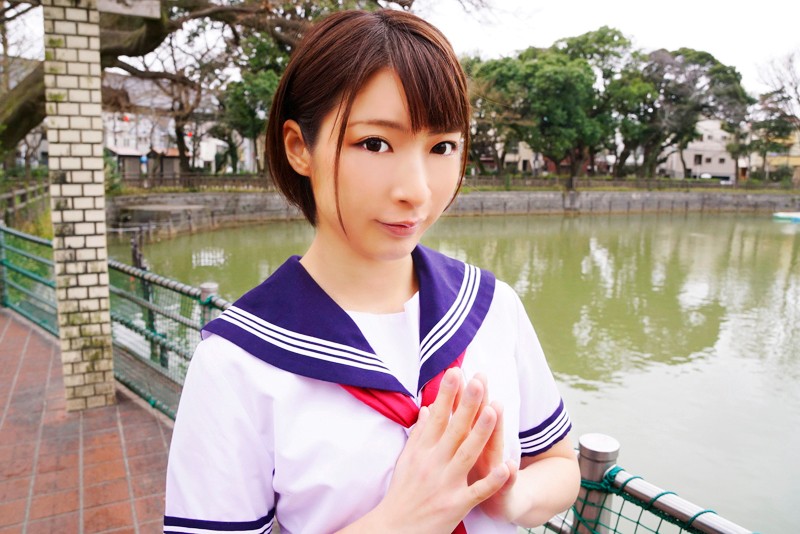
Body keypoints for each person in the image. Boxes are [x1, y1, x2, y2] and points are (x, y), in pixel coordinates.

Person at [164, 9, 580, 534]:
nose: (417, 190)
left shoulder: (492, 307)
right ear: (299, 147)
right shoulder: (237, 362)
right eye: (375, 143)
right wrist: (400, 521)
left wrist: (507, 495)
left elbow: (559, 463)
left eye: (442, 147)